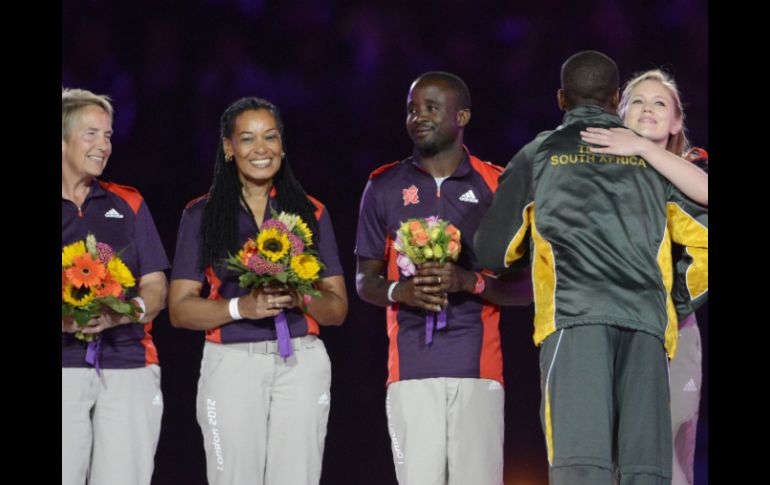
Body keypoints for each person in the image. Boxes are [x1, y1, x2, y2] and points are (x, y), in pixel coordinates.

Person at [474, 51, 708, 485]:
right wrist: (675, 298)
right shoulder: (655, 160)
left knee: (582, 468)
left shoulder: (539, 153)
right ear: (617, 97)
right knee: (646, 471)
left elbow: (491, 251)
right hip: (647, 327)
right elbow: (704, 239)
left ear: (561, 97)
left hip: (574, 320)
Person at [355, 71, 532, 485]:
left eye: (432, 107)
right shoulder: (382, 186)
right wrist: (403, 290)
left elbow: (527, 287)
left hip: (479, 371)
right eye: (412, 109)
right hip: (409, 372)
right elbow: (366, 280)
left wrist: (469, 282)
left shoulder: (497, 184)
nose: (419, 116)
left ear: (462, 116)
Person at [168, 97, 347, 485]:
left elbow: (337, 309)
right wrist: (240, 308)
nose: (261, 149)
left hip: (301, 363)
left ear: (283, 145)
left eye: (270, 137)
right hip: (231, 363)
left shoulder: (311, 212)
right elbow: (180, 310)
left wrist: (301, 297)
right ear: (229, 148)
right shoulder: (202, 213)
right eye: (247, 139)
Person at [580, 69, 708, 485]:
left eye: (659, 104)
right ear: (619, 113)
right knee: (612, 450)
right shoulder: (595, 168)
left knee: (667, 448)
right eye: (637, 101)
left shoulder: (692, 164)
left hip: (673, 329)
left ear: (675, 123)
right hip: (610, 325)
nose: (647, 109)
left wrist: (641, 148)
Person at [62, 88, 170, 485]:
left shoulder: (129, 202)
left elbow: (157, 285)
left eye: (108, 136)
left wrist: (122, 314)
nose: (104, 146)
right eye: (92, 134)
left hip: (128, 363)